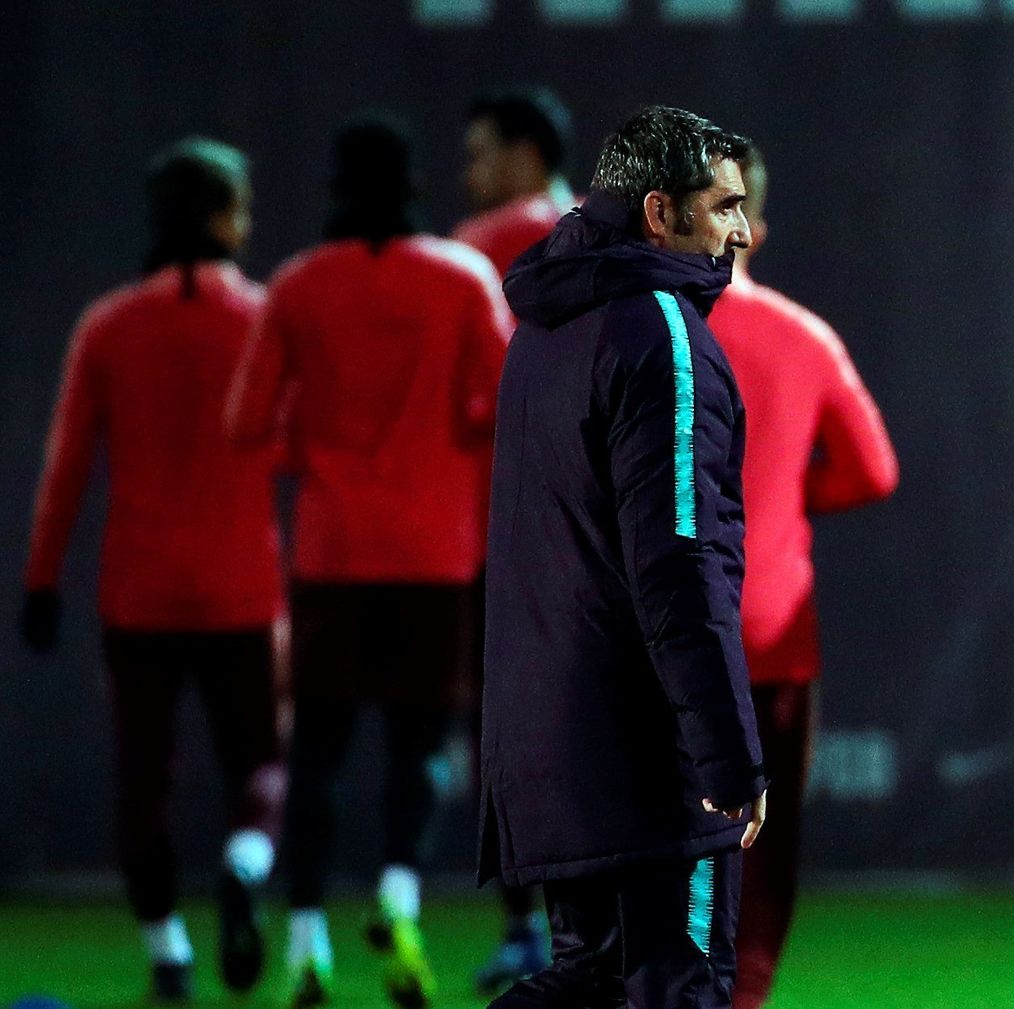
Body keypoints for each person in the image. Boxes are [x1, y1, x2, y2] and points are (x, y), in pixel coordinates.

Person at [481, 106, 766, 1009]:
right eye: (722, 206)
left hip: (553, 741)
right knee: (673, 990)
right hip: (645, 750)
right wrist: (723, 751)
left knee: (589, 982)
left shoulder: (545, 329)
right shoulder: (662, 331)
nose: (741, 231)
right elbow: (679, 560)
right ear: (658, 212)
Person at [225, 116, 511, 1009]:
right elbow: (510, 399)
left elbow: (245, 425)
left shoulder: (301, 286)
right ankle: (399, 899)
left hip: (334, 552)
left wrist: (309, 450)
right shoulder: (460, 278)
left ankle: (305, 941)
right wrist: (450, 441)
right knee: (417, 749)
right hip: (434, 550)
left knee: (316, 751)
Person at [19, 138, 284, 1002]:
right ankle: (246, 867)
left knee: (144, 781)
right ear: (222, 216)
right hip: (245, 587)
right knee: (262, 767)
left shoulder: (108, 325)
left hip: (138, 592)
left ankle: (168, 949)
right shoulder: (263, 318)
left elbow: (66, 466)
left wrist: (41, 580)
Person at [705, 146, 899, 1009]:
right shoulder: (802, 335)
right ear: (754, 224)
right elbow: (874, 470)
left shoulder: (615, 336)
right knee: (759, 846)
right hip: (769, 628)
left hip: (644, 636)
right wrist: (783, 492)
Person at [452, 87, 576, 993]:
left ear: (525, 153)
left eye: (483, 151)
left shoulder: (471, 254)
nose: (472, 171)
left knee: (508, 733)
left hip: (499, 538)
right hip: (605, 535)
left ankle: (529, 928)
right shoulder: (621, 233)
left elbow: (465, 403)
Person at [456, 87, 577, 277]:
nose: (468, 176)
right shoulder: (621, 230)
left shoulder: (485, 239)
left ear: (524, 157)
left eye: (477, 156)